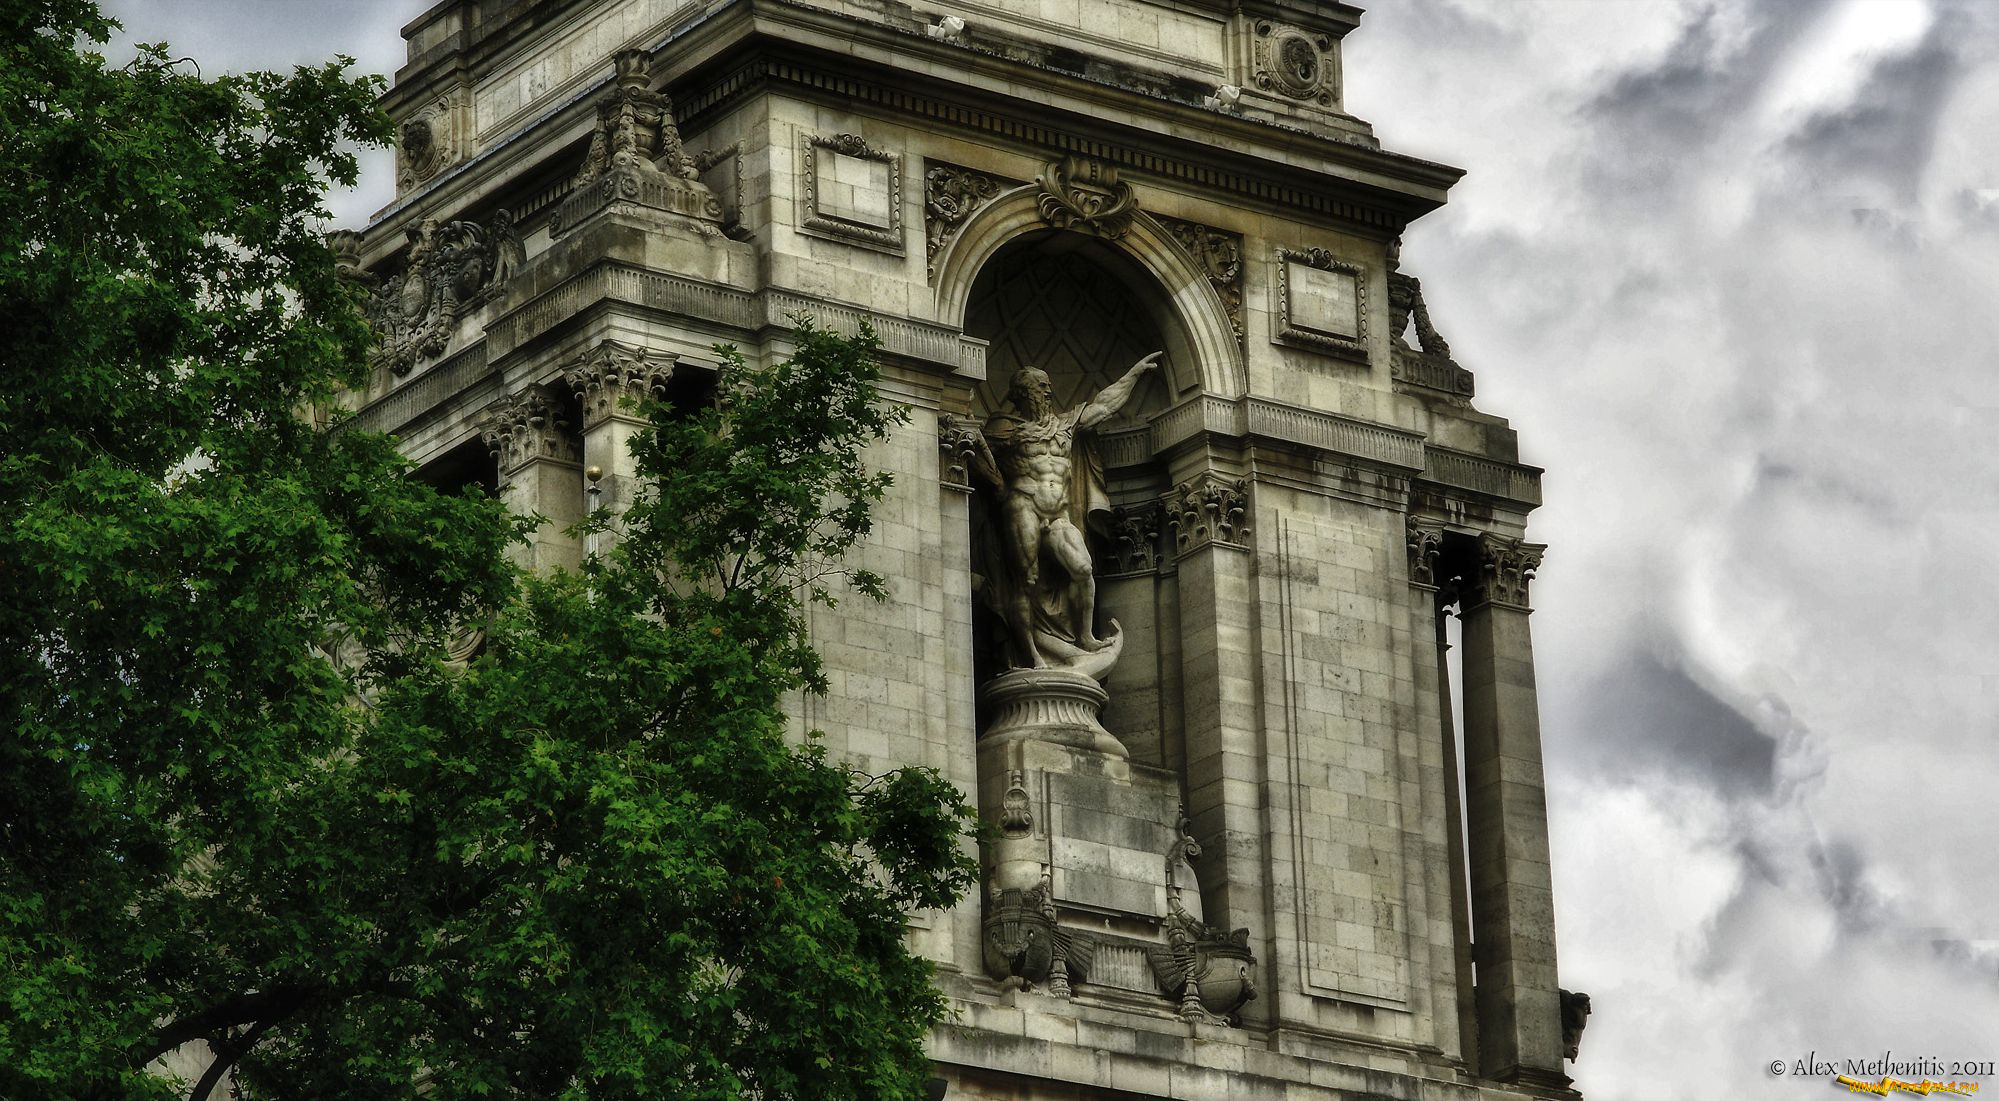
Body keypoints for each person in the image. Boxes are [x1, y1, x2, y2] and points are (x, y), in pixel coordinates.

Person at [972, 352, 1161, 668]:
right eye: (1041, 386)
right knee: (1025, 581)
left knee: (1082, 568)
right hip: (1022, 505)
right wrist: (999, 485)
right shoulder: (1003, 428)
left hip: (1058, 514)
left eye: (1048, 386)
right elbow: (972, 445)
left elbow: (1103, 406)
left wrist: (1134, 374)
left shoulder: (1064, 426)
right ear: (1023, 392)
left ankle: (1084, 636)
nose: (1048, 391)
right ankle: (1031, 655)